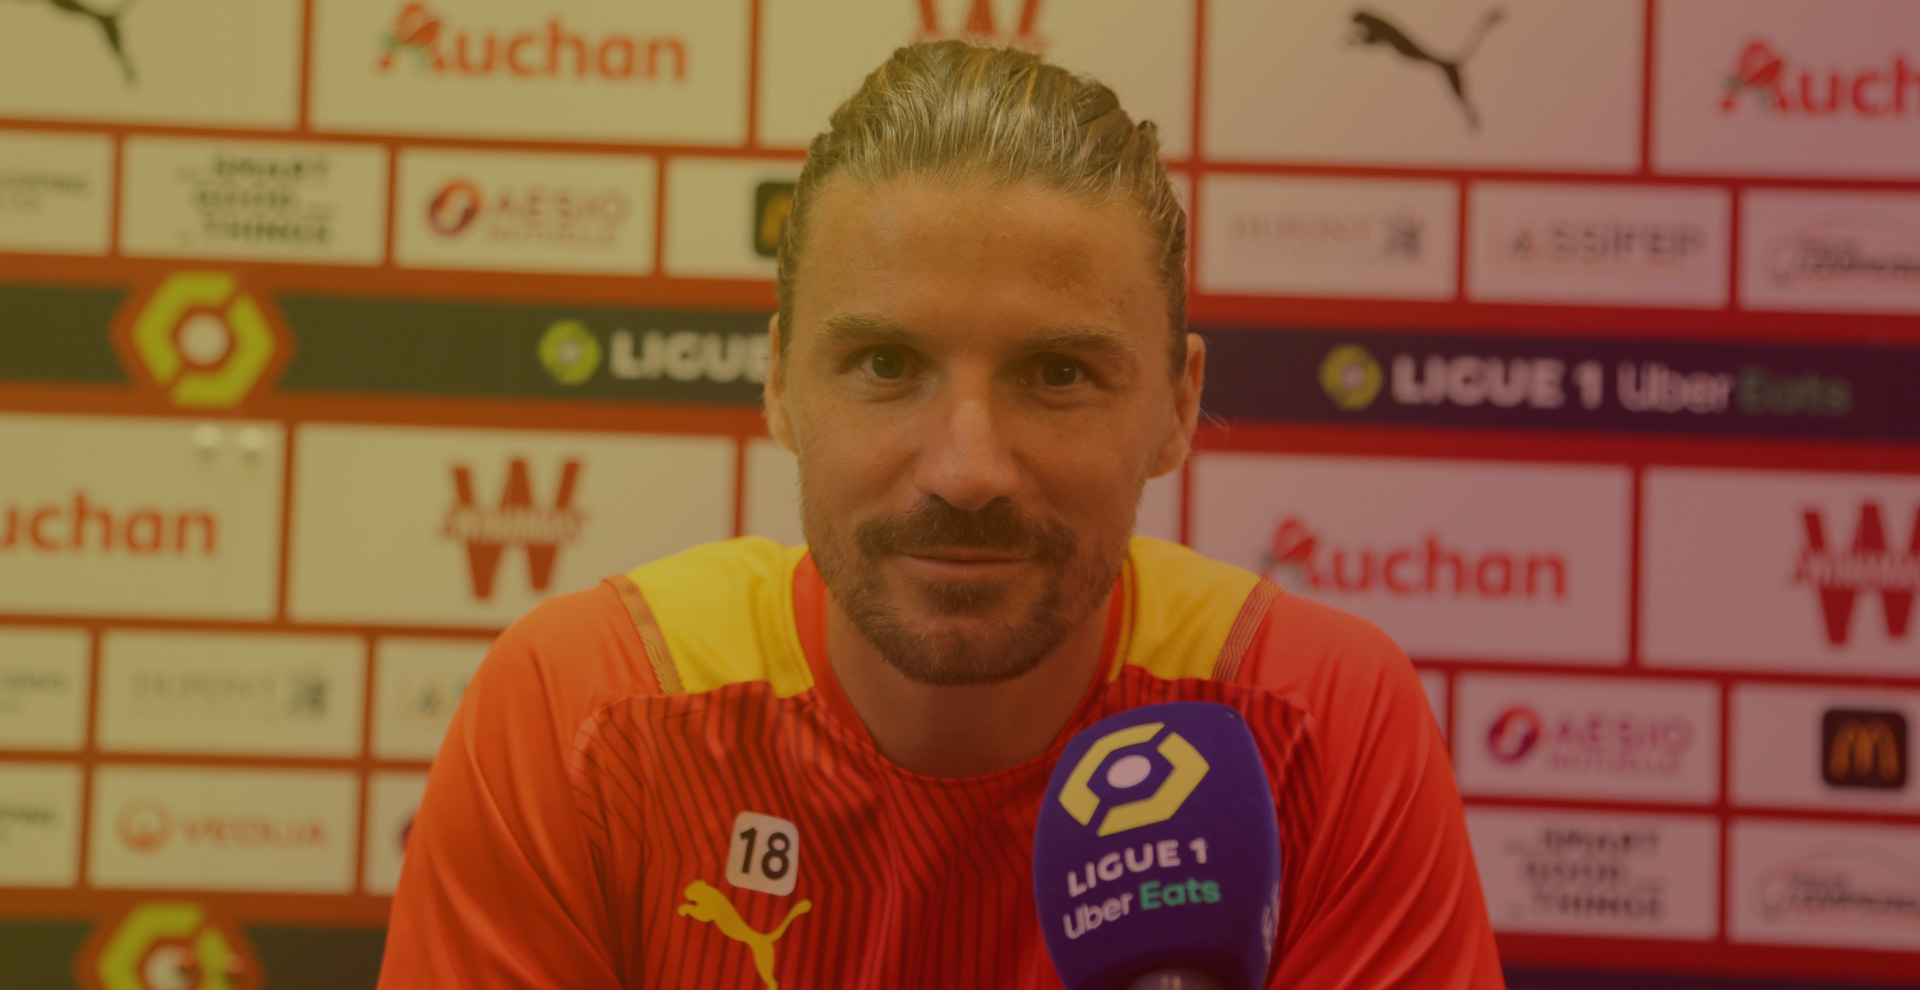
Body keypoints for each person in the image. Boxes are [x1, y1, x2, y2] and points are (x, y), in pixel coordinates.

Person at [378, 40, 1503, 989]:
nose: (968, 471)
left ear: (1177, 407)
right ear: (778, 384)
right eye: (885, 364)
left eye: (1057, 374)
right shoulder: (587, 715)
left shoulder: (1319, 725)